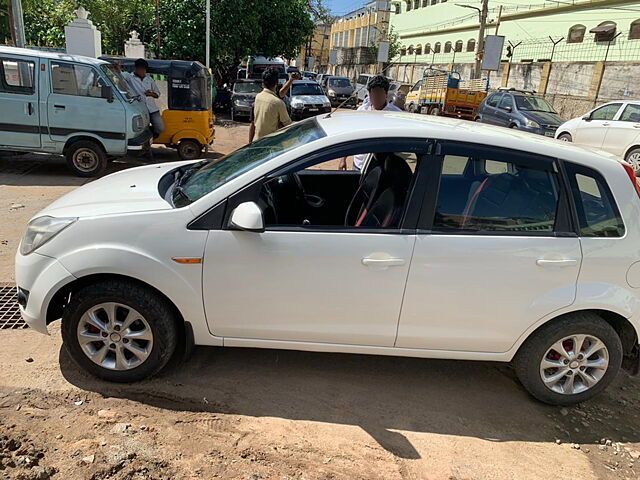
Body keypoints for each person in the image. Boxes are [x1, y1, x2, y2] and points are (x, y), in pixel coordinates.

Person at [338, 75, 402, 171]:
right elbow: (350, 135)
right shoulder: (362, 111)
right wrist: (343, 159)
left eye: (379, 94)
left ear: (386, 93)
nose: (376, 98)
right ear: (369, 93)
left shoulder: (395, 114)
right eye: (374, 94)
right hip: (359, 165)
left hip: (384, 167)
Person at [120, 59, 164, 137]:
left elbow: (157, 94)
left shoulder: (149, 80)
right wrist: (117, 68)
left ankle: (151, 137)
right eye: (140, 69)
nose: (142, 71)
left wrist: (150, 94)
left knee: (160, 128)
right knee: (140, 130)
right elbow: (118, 75)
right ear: (136, 69)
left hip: (152, 108)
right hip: (139, 109)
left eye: (143, 69)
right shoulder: (130, 77)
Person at [249, 67, 292, 142]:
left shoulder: (258, 97)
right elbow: (288, 126)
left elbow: (253, 124)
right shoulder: (278, 103)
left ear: (263, 83)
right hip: (271, 144)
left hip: (258, 142)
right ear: (276, 83)